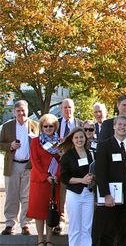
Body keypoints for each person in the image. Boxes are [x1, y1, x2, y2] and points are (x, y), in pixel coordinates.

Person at [93, 115, 126, 246]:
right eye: (120, 125)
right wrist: (106, 195)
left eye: (125, 125)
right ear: (114, 126)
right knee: (108, 232)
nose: (122, 127)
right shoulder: (104, 146)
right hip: (111, 197)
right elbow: (100, 172)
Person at [0, 100, 39, 236]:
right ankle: (10, 224)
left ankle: (26, 224)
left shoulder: (35, 126)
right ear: (14, 112)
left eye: (23, 110)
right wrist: (10, 146)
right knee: (11, 196)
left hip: (29, 165)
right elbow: (1, 144)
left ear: (27, 111)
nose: (21, 113)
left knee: (27, 196)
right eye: (18, 111)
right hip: (13, 164)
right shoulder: (7, 127)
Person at [26, 114, 61, 246]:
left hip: (54, 182)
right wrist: (45, 177)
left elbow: (61, 160)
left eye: (51, 126)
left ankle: (49, 240)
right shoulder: (35, 142)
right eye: (45, 126)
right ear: (41, 127)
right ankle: (40, 239)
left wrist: (56, 176)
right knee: (39, 211)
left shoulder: (60, 142)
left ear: (55, 127)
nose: (48, 128)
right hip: (40, 181)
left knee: (51, 210)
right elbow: (35, 161)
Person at [59, 127, 94, 246]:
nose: (79, 140)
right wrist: (81, 180)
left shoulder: (91, 154)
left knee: (87, 227)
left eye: (81, 137)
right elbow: (64, 178)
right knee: (75, 227)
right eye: (76, 138)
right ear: (72, 140)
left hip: (89, 194)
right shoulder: (67, 156)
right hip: (74, 194)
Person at [56, 98, 83, 235]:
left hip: (78, 165)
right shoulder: (55, 124)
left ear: (74, 108)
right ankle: (61, 220)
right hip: (60, 164)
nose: (68, 110)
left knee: (77, 193)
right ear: (61, 109)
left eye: (70, 107)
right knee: (61, 193)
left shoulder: (80, 124)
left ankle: (76, 221)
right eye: (65, 108)